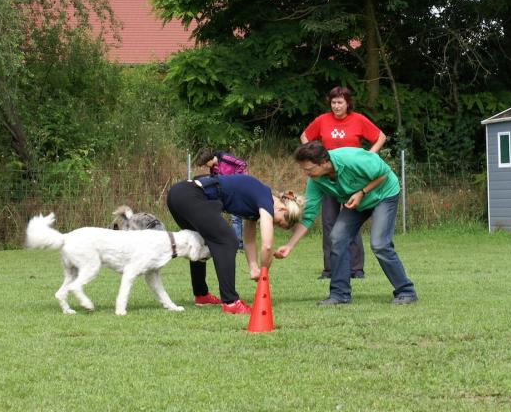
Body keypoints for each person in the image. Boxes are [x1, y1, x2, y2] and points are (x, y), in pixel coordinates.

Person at [275, 141, 417, 306]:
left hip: (384, 194)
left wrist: (362, 192)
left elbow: (384, 173)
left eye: (309, 169)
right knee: (337, 237)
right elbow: (309, 216)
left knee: (379, 244)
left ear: (323, 162)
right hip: (357, 203)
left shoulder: (352, 158)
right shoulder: (315, 181)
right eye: (303, 169)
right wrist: (290, 245)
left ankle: (406, 291)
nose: (306, 173)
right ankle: (339, 294)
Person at [166, 173, 302, 314]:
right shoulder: (266, 199)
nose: (273, 224)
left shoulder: (257, 204)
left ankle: (202, 295)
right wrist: (264, 273)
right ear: (282, 209)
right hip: (190, 195)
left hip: (178, 195)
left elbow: (249, 240)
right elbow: (267, 246)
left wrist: (253, 267)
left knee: (201, 241)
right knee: (228, 241)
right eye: (278, 222)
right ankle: (231, 302)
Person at [300, 86, 387, 281]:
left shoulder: (358, 120)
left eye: (340, 102)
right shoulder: (322, 120)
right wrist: (313, 155)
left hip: (350, 179)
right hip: (328, 178)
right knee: (329, 222)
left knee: (351, 221)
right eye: (333, 102)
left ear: (348, 103)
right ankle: (330, 269)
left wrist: (369, 156)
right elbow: (305, 136)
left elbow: (381, 136)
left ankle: (356, 268)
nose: (336, 106)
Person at [195, 149, 248, 250]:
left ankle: (238, 245)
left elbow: (243, 164)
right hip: (228, 191)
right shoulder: (213, 169)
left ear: (209, 160)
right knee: (229, 216)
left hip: (239, 187)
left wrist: (234, 178)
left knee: (236, 218)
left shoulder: (225, 158)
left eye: (205, 164)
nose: (206, 166)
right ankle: (231, 242)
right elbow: (216, 180)